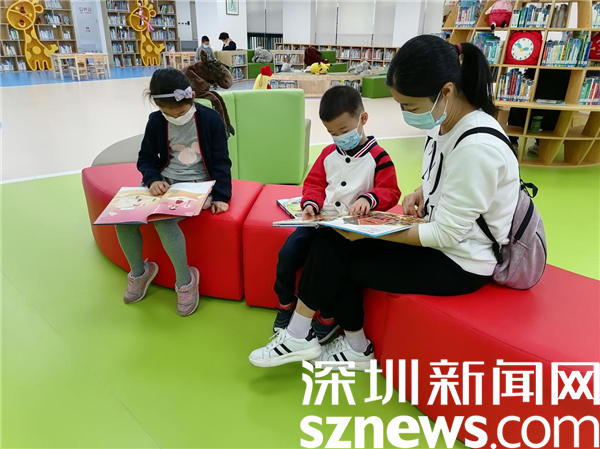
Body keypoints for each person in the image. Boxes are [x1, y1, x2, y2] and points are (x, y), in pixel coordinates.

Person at [249, 35, 520, 370]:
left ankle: (314, 339)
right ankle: (316, 338)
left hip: (460, 263)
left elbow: (447, 234)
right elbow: (454, 184)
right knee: (331, 238)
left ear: (446, 92)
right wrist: (422, 192)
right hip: (441, 240)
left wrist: (374, 231)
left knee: (339, 256)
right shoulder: (446, 126)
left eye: (410, 106)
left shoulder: (476, 147)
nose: (405, 114)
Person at [249, 85, 401, 368]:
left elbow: (391, 191)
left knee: (328, 264)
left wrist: (369, 198)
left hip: (352, 230)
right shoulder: (329, 153)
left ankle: (327, 318)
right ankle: (285, 303)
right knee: (289, 253)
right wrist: (311, 203)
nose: (340, 137)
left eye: (344, 130)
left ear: (363, 119)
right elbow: (314, 183)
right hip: (320, 222)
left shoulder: (379, 157)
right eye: (332, 133)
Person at [116, 68, 232, 317]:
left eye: (180, 112)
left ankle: (185, 281)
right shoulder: (156, 121)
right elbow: (146, 159)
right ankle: (139, 273)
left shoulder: (210, 119)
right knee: (123, 220)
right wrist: (152, 179)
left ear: (192, 98)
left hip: (198, 185)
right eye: (168, 113)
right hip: (165, 182)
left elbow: (222, 161)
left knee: (164, 222)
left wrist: (222, 196)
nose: (175, 117)